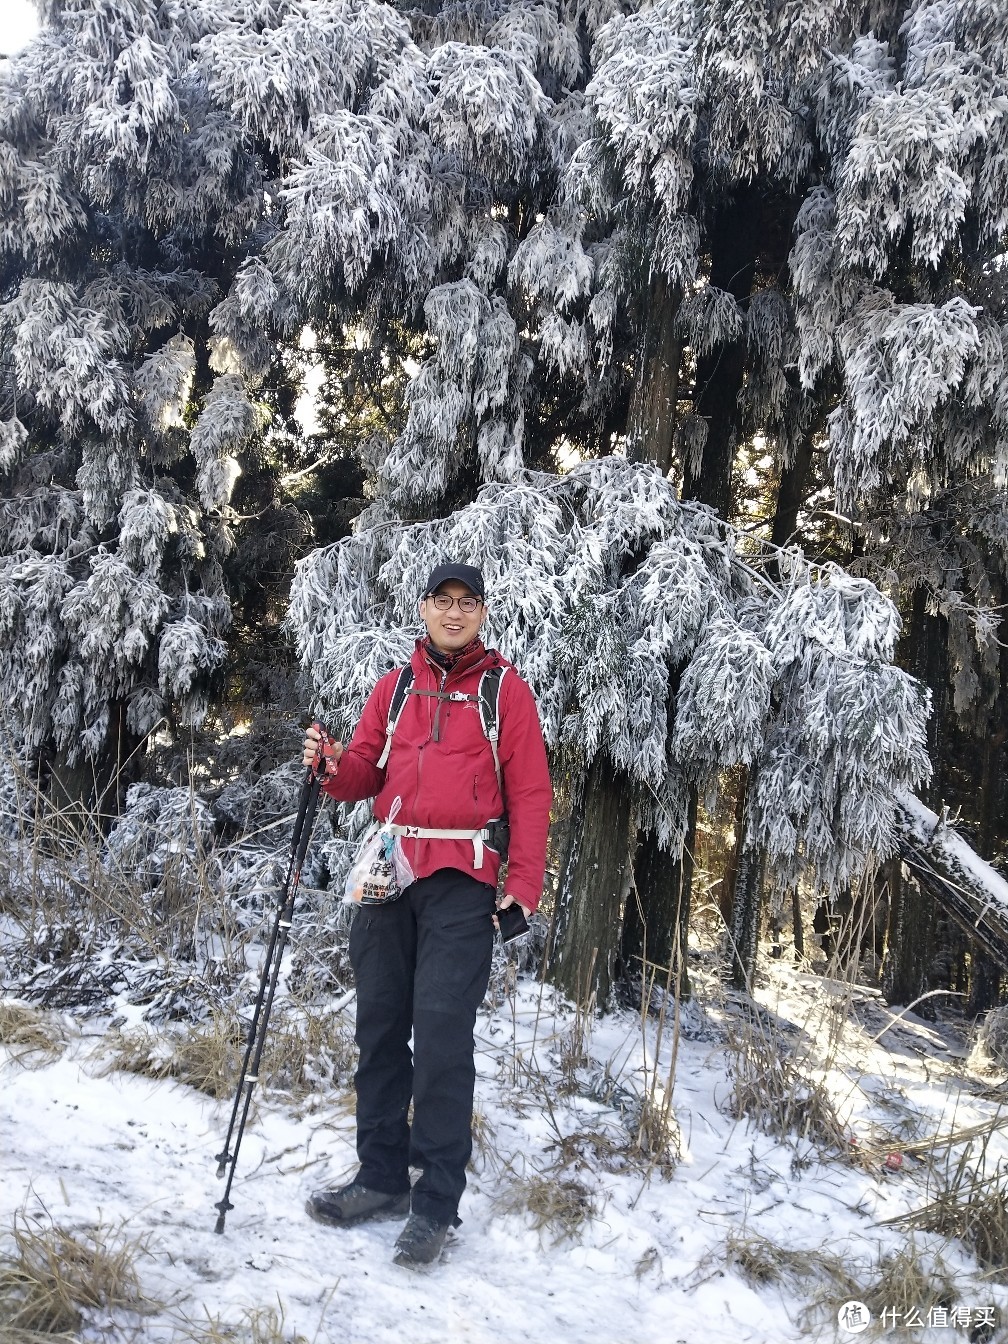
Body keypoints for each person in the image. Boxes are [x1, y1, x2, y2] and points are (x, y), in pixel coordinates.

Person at [302, 562, 552, 1268]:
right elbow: (362, 775)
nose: (452, 613)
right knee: (380, 1026)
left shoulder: (506, 692)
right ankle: (380, 1178)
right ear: (423, 608)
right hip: (389, 871)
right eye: (441, 602)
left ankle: (436, 1201)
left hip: (463, 880)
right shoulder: (397, 685)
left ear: (481, 612)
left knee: (442, 1033)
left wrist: (522, 881)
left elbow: (531, 792)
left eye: (466, 603)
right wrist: (327, 767)